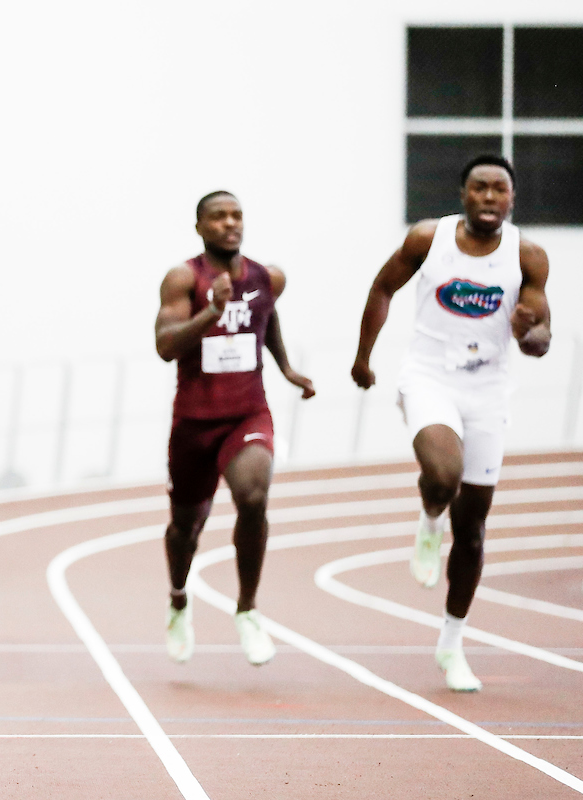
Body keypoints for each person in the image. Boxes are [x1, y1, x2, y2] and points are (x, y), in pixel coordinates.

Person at [351, 154, 550, 692]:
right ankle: (429, 515)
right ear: (462, 194)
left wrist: (527, 330)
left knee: (476, 529)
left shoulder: (528, 256)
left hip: (487, 389)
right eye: (480, 188)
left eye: (500, 190)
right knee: (443, 473)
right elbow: (382, 288)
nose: (489, 198)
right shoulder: (427, 238)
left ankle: (451, 643)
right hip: (429, 377)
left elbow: (540, 343)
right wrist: (363, 357)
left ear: (512, 199)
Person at [154, 191, 315, 667]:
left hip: (247, 413)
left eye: (236, 215)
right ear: (200, 227)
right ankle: (179, 598)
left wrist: (285, 368)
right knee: (186, 526)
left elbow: (267, 318)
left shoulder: (267, 277)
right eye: (218, 217)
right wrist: (210, 312)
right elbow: (164, 345)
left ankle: (246, 609)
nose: (230, 223)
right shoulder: (184, 278)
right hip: (193, 422)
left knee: (253, 495)